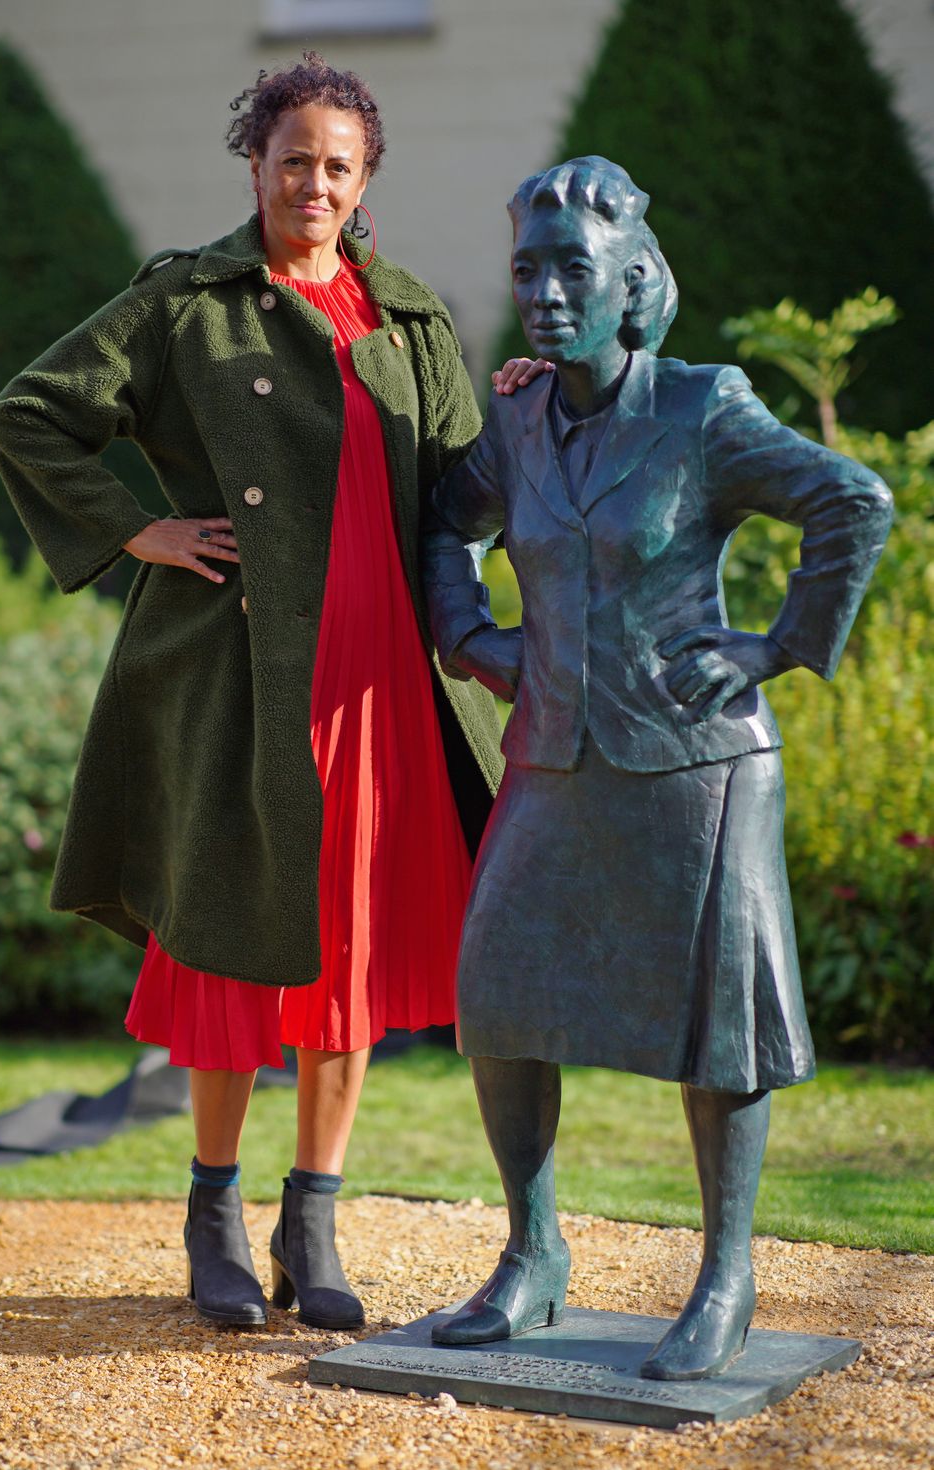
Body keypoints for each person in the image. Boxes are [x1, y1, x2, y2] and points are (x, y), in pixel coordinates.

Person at [0, 53, 545, 1333]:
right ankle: (214, 1212)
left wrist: (518, 413)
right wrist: (135, 530)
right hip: (242, 674)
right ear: (256, 163)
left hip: (382, 680)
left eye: (338, 165)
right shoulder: (188, 303)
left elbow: (460, 488)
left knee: (348, 947)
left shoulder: (407, 317)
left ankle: (313, 1219)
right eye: (294, 160)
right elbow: (31, 413)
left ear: (364, 177)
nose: (314, 185)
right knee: (237, 942)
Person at [423, 156, 893, 1378]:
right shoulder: (516, 419)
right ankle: (532, 1257)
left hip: (699, 765)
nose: (543, 295)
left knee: (718, 1031)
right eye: (526, 271)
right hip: (551, 750)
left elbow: (851, 502)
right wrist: (471, 639)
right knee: (498, 993)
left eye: (570, 271)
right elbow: (445, 524)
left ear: (631, 283)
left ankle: (725, 1278)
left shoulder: (700, 409)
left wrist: (777, 647)